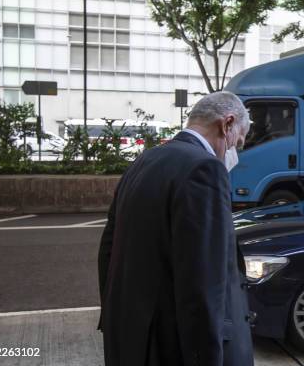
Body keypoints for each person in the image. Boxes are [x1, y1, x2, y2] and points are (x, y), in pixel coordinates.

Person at [98, 91, 253, 366]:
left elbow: (108, 250)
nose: (234, 153)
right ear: (226, 124)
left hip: (130, 334)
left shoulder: (145, 160)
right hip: (171, 347)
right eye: (237, 142)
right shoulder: (205, 169)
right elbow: (203, 281)